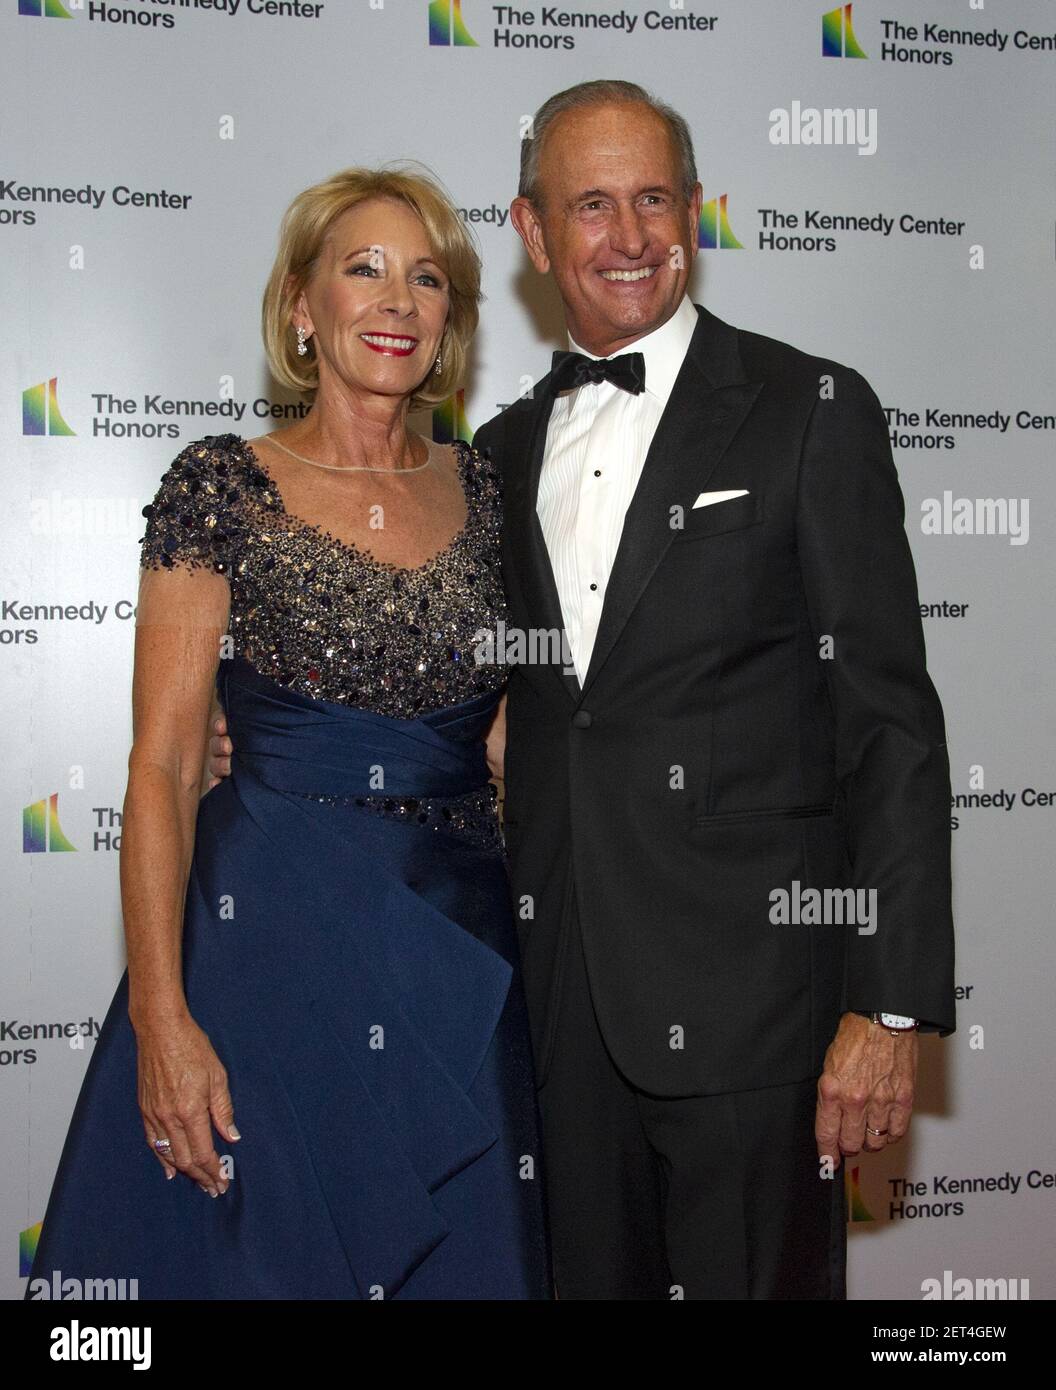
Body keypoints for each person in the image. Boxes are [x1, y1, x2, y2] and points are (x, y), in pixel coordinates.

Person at [209, 83, 957, 1300]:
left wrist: (889, 1005)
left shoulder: (809, 410)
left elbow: (892, 727)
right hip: (553, 1020)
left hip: (758, 1022)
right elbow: (443, 679)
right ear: (534, 234)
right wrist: (263, 748)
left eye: (654, 198)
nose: (628, 235)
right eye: (591, 205)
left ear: (695, 213)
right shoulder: (490, 459)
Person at [26, 166, 551, 1301]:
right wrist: (163, 1016)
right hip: (264, 954)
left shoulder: (493, 489)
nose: (398, 300)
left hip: (459, 962)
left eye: (427, 279)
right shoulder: (222, 484)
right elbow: (163, 766)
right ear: (301, 307)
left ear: (451, 318)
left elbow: (517, 737)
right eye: (362, 269)